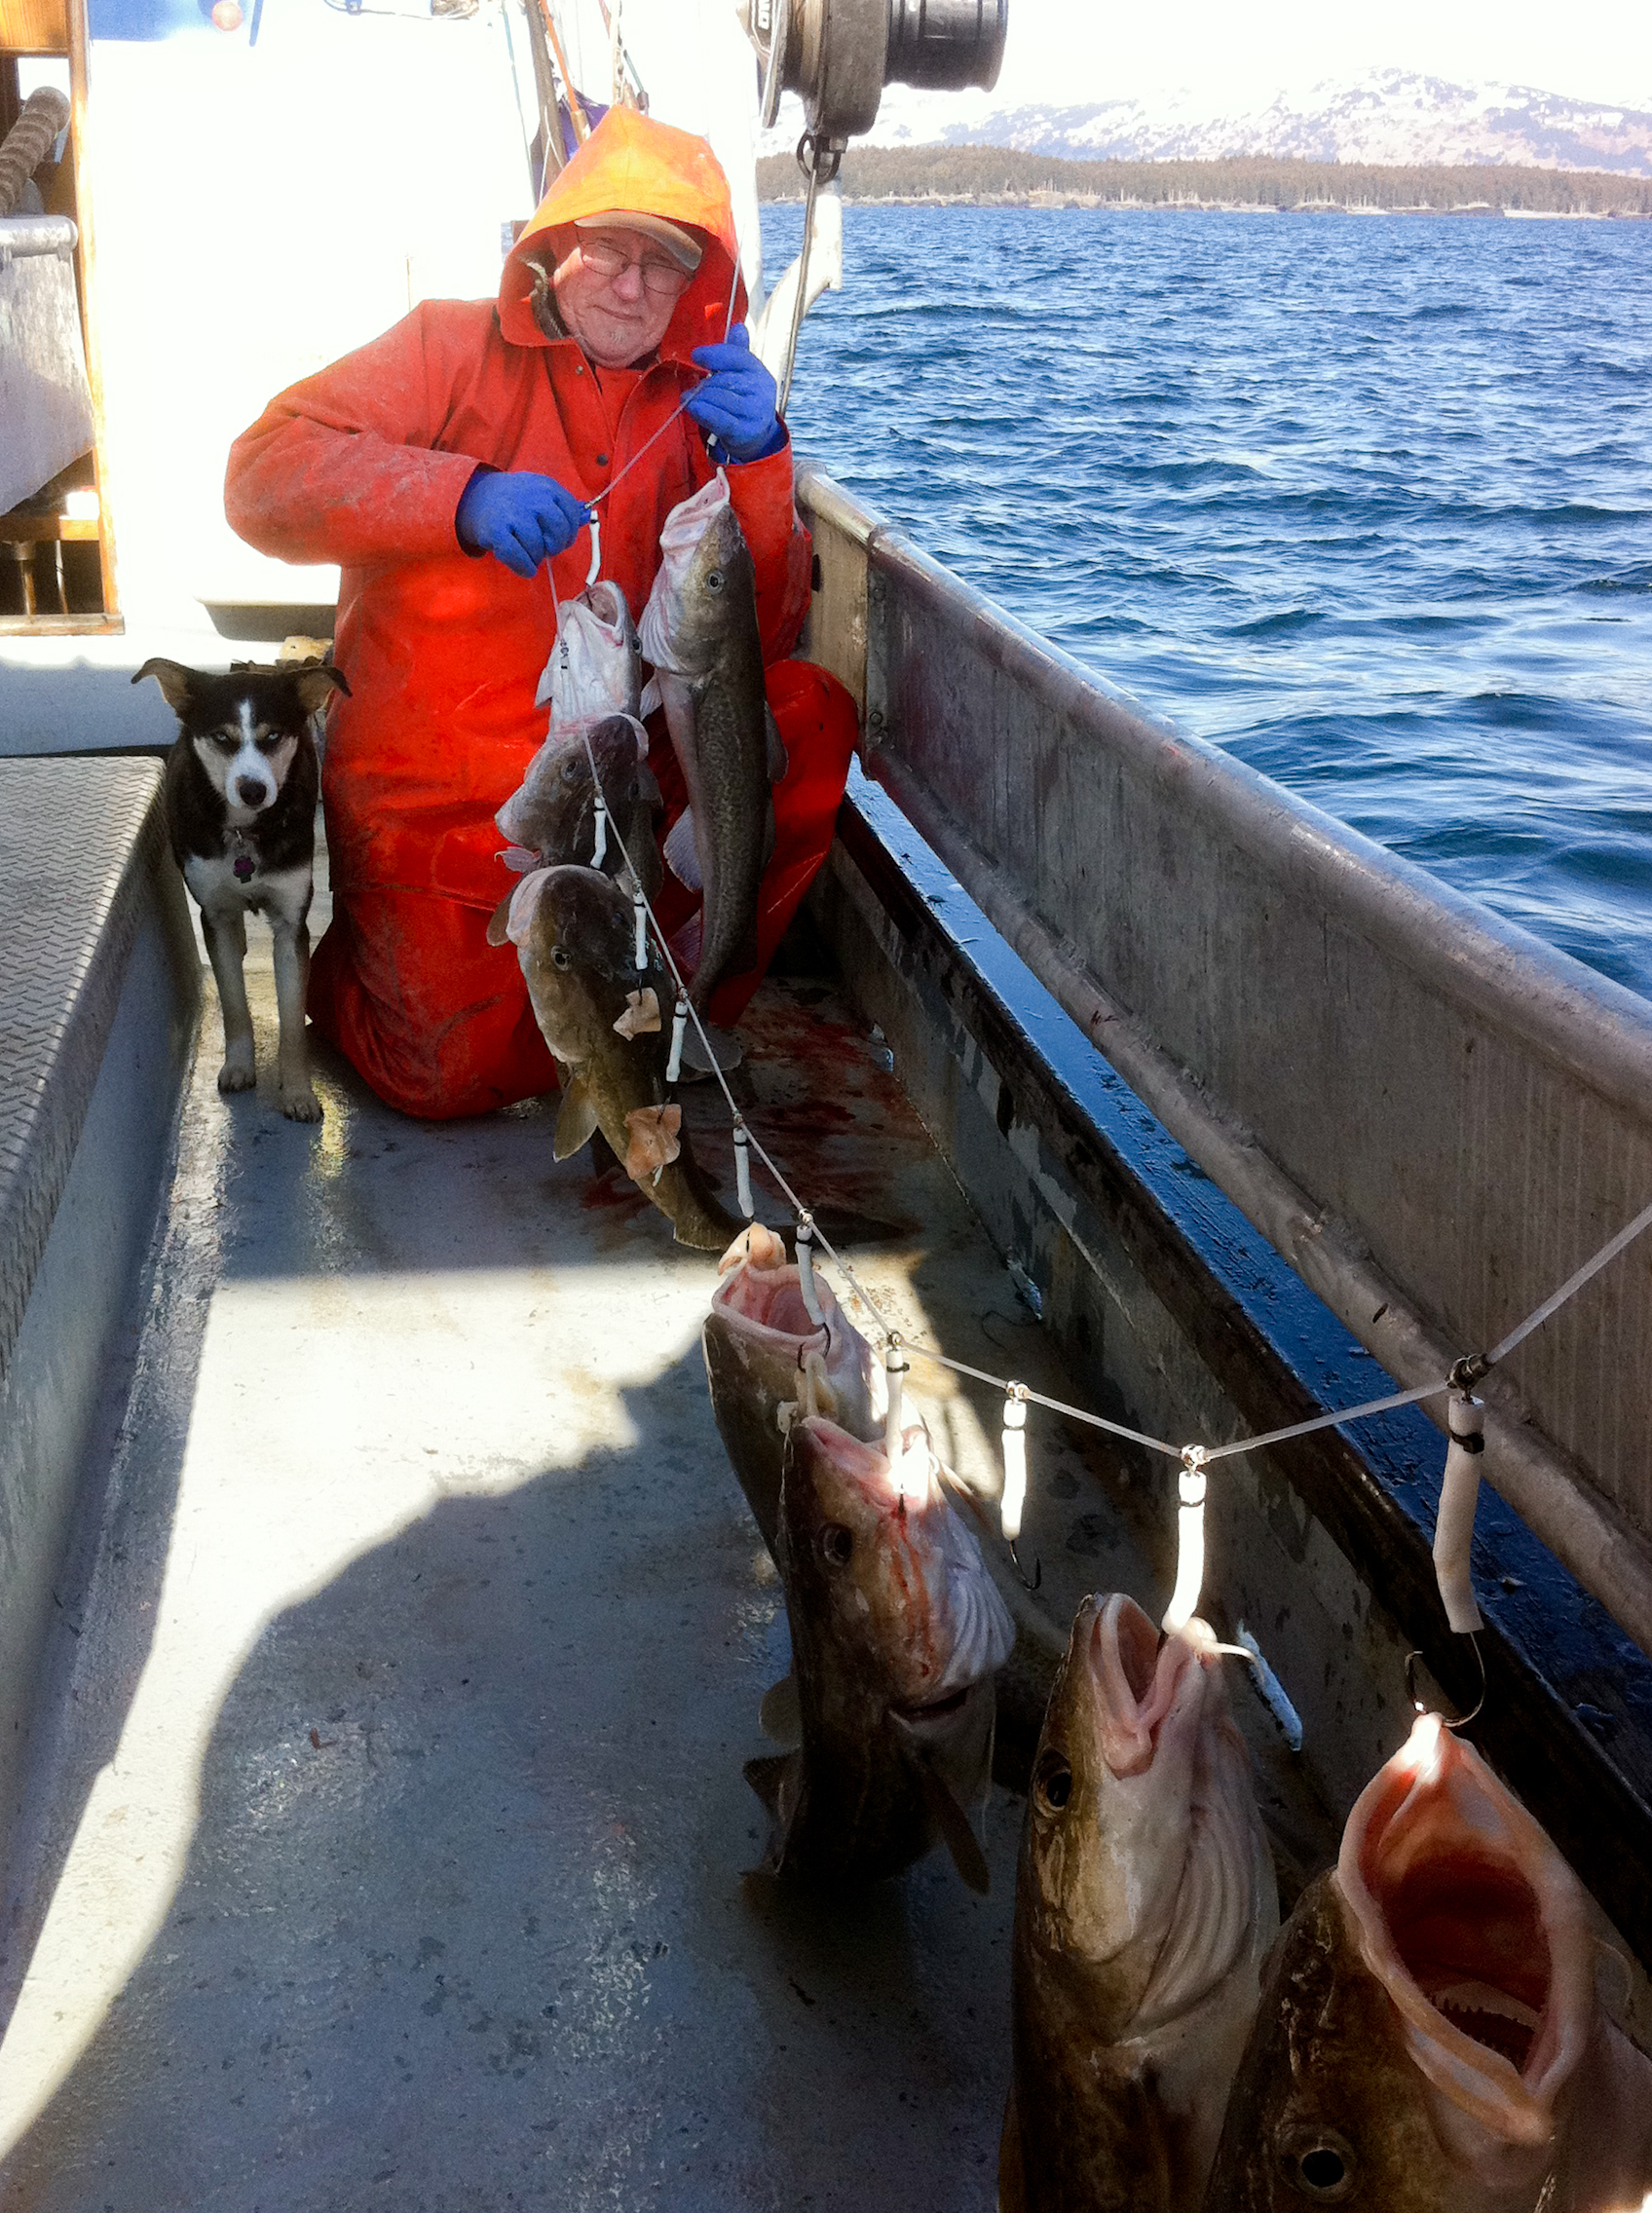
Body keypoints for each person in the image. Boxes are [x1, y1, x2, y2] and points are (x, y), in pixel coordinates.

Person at [224, 107, 855, 1120]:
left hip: (624, 773)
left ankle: (692, 993)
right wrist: (458, 499)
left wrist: (764, 461)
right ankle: (365, 971)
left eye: (668, 259)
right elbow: (260, 478)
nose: (633, 279)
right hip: (445, 791)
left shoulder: (698, 401)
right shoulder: (444, 347)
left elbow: (757, 630)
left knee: (808, 710)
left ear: (699, 281)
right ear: (557, 242)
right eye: (611, 244)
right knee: (445, 1076)